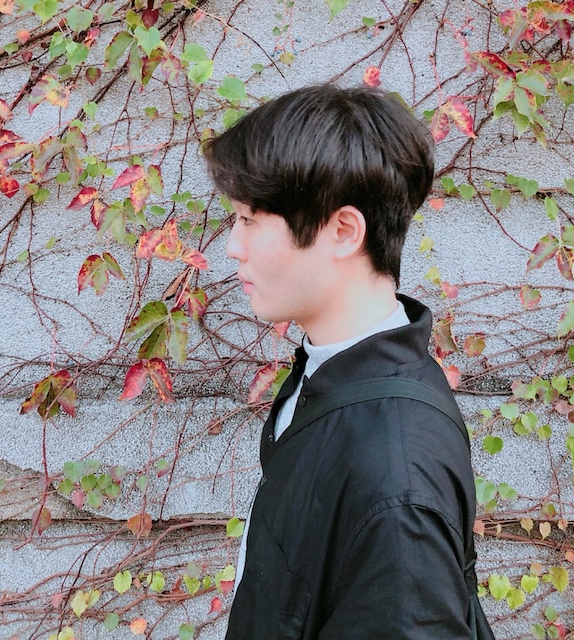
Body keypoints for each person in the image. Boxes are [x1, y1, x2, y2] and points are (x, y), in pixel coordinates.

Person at [203, 84, 494, 639]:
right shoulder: (329, 371)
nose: (233, 246)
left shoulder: (396, 477)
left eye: (249, 219)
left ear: (342, 231)